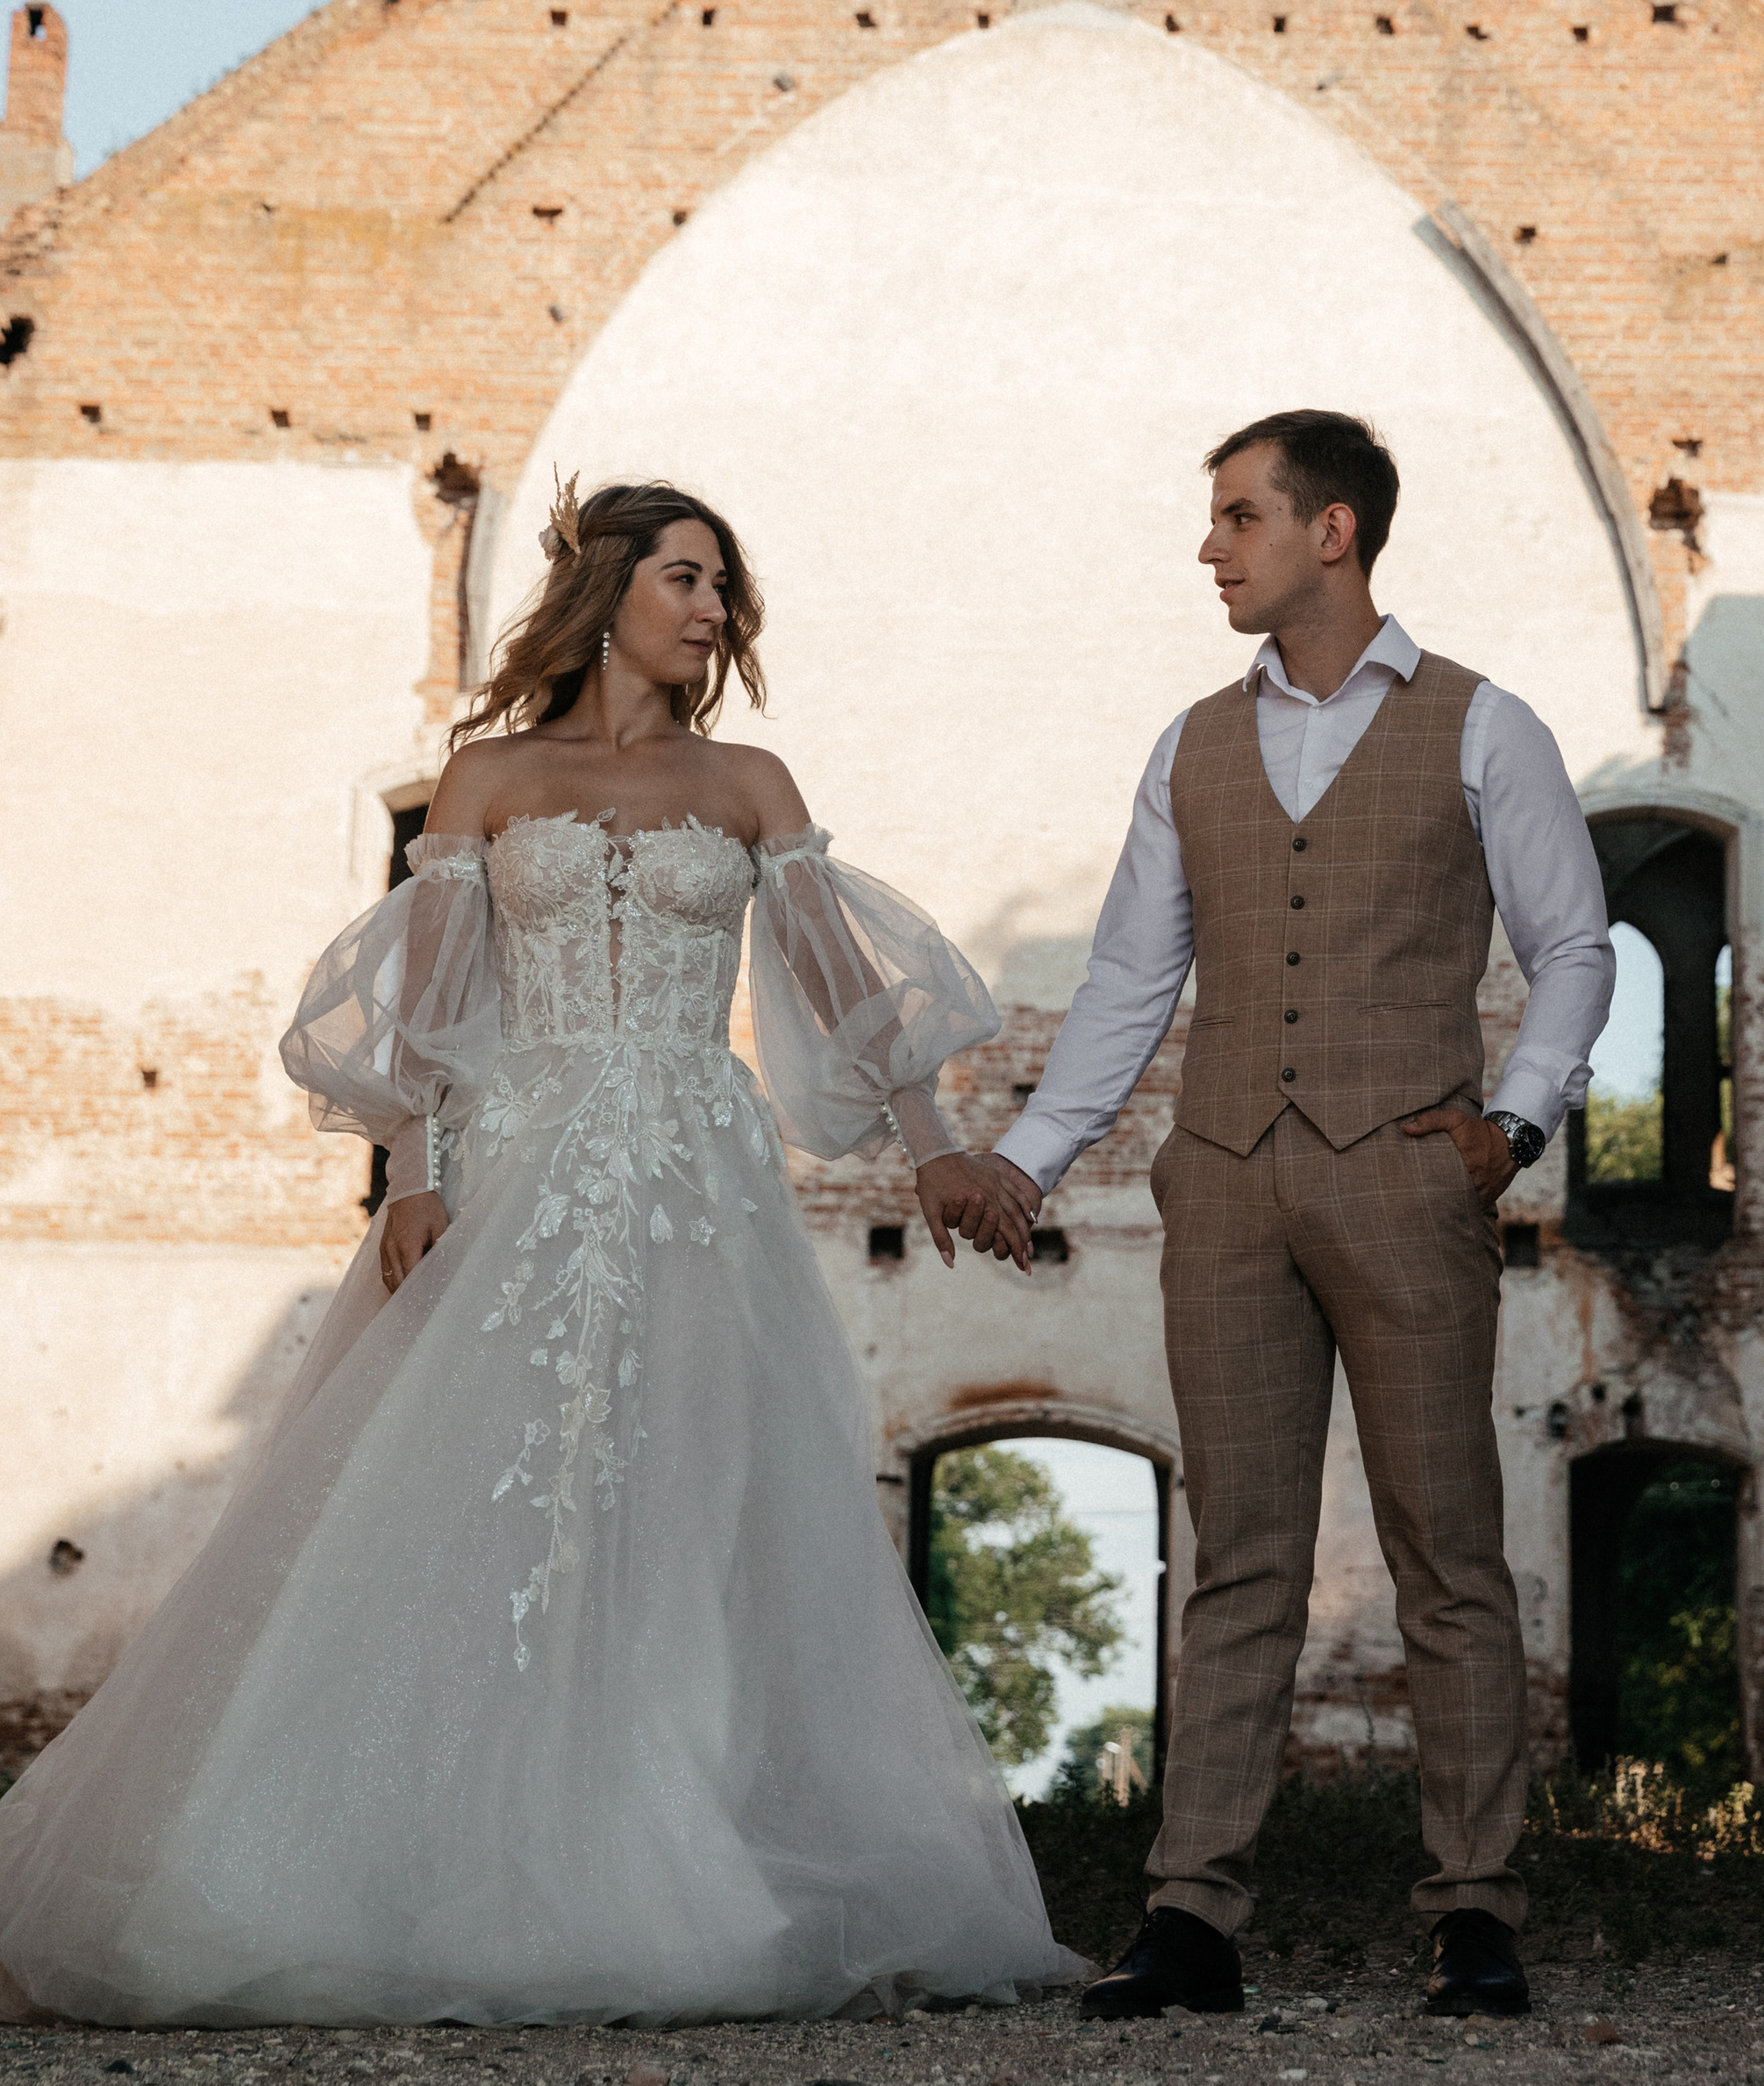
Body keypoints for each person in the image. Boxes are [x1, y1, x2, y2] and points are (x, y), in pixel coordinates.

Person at [0, 477, 1078, 2029]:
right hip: (517, 1160)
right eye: (691, 578)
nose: (716, 609)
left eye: (726, 588)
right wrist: (415, 1179)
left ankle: (668, 1845)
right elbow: (433, 1015)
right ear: (609, 589)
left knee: (685, 1488)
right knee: (474, 1485)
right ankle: (401, 1860)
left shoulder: (751, 781)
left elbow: (845, 993)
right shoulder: (487, 779)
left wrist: (941, 1147)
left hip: (697, 1178)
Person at [943, 411, 1617, 2024]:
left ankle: (1472, 1912)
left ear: (1333, 532)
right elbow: (1129, 980)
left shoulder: (1482, 725)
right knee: (1237, 1556)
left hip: (1409, 1169)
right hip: (1227, 1176)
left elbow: (1577, 947)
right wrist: (1034, 1158)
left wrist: (1512, 1125)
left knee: (1446, 1553)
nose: (1209, 546)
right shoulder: (1189, 742)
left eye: (1239, 517)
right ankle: (1191, 1918)